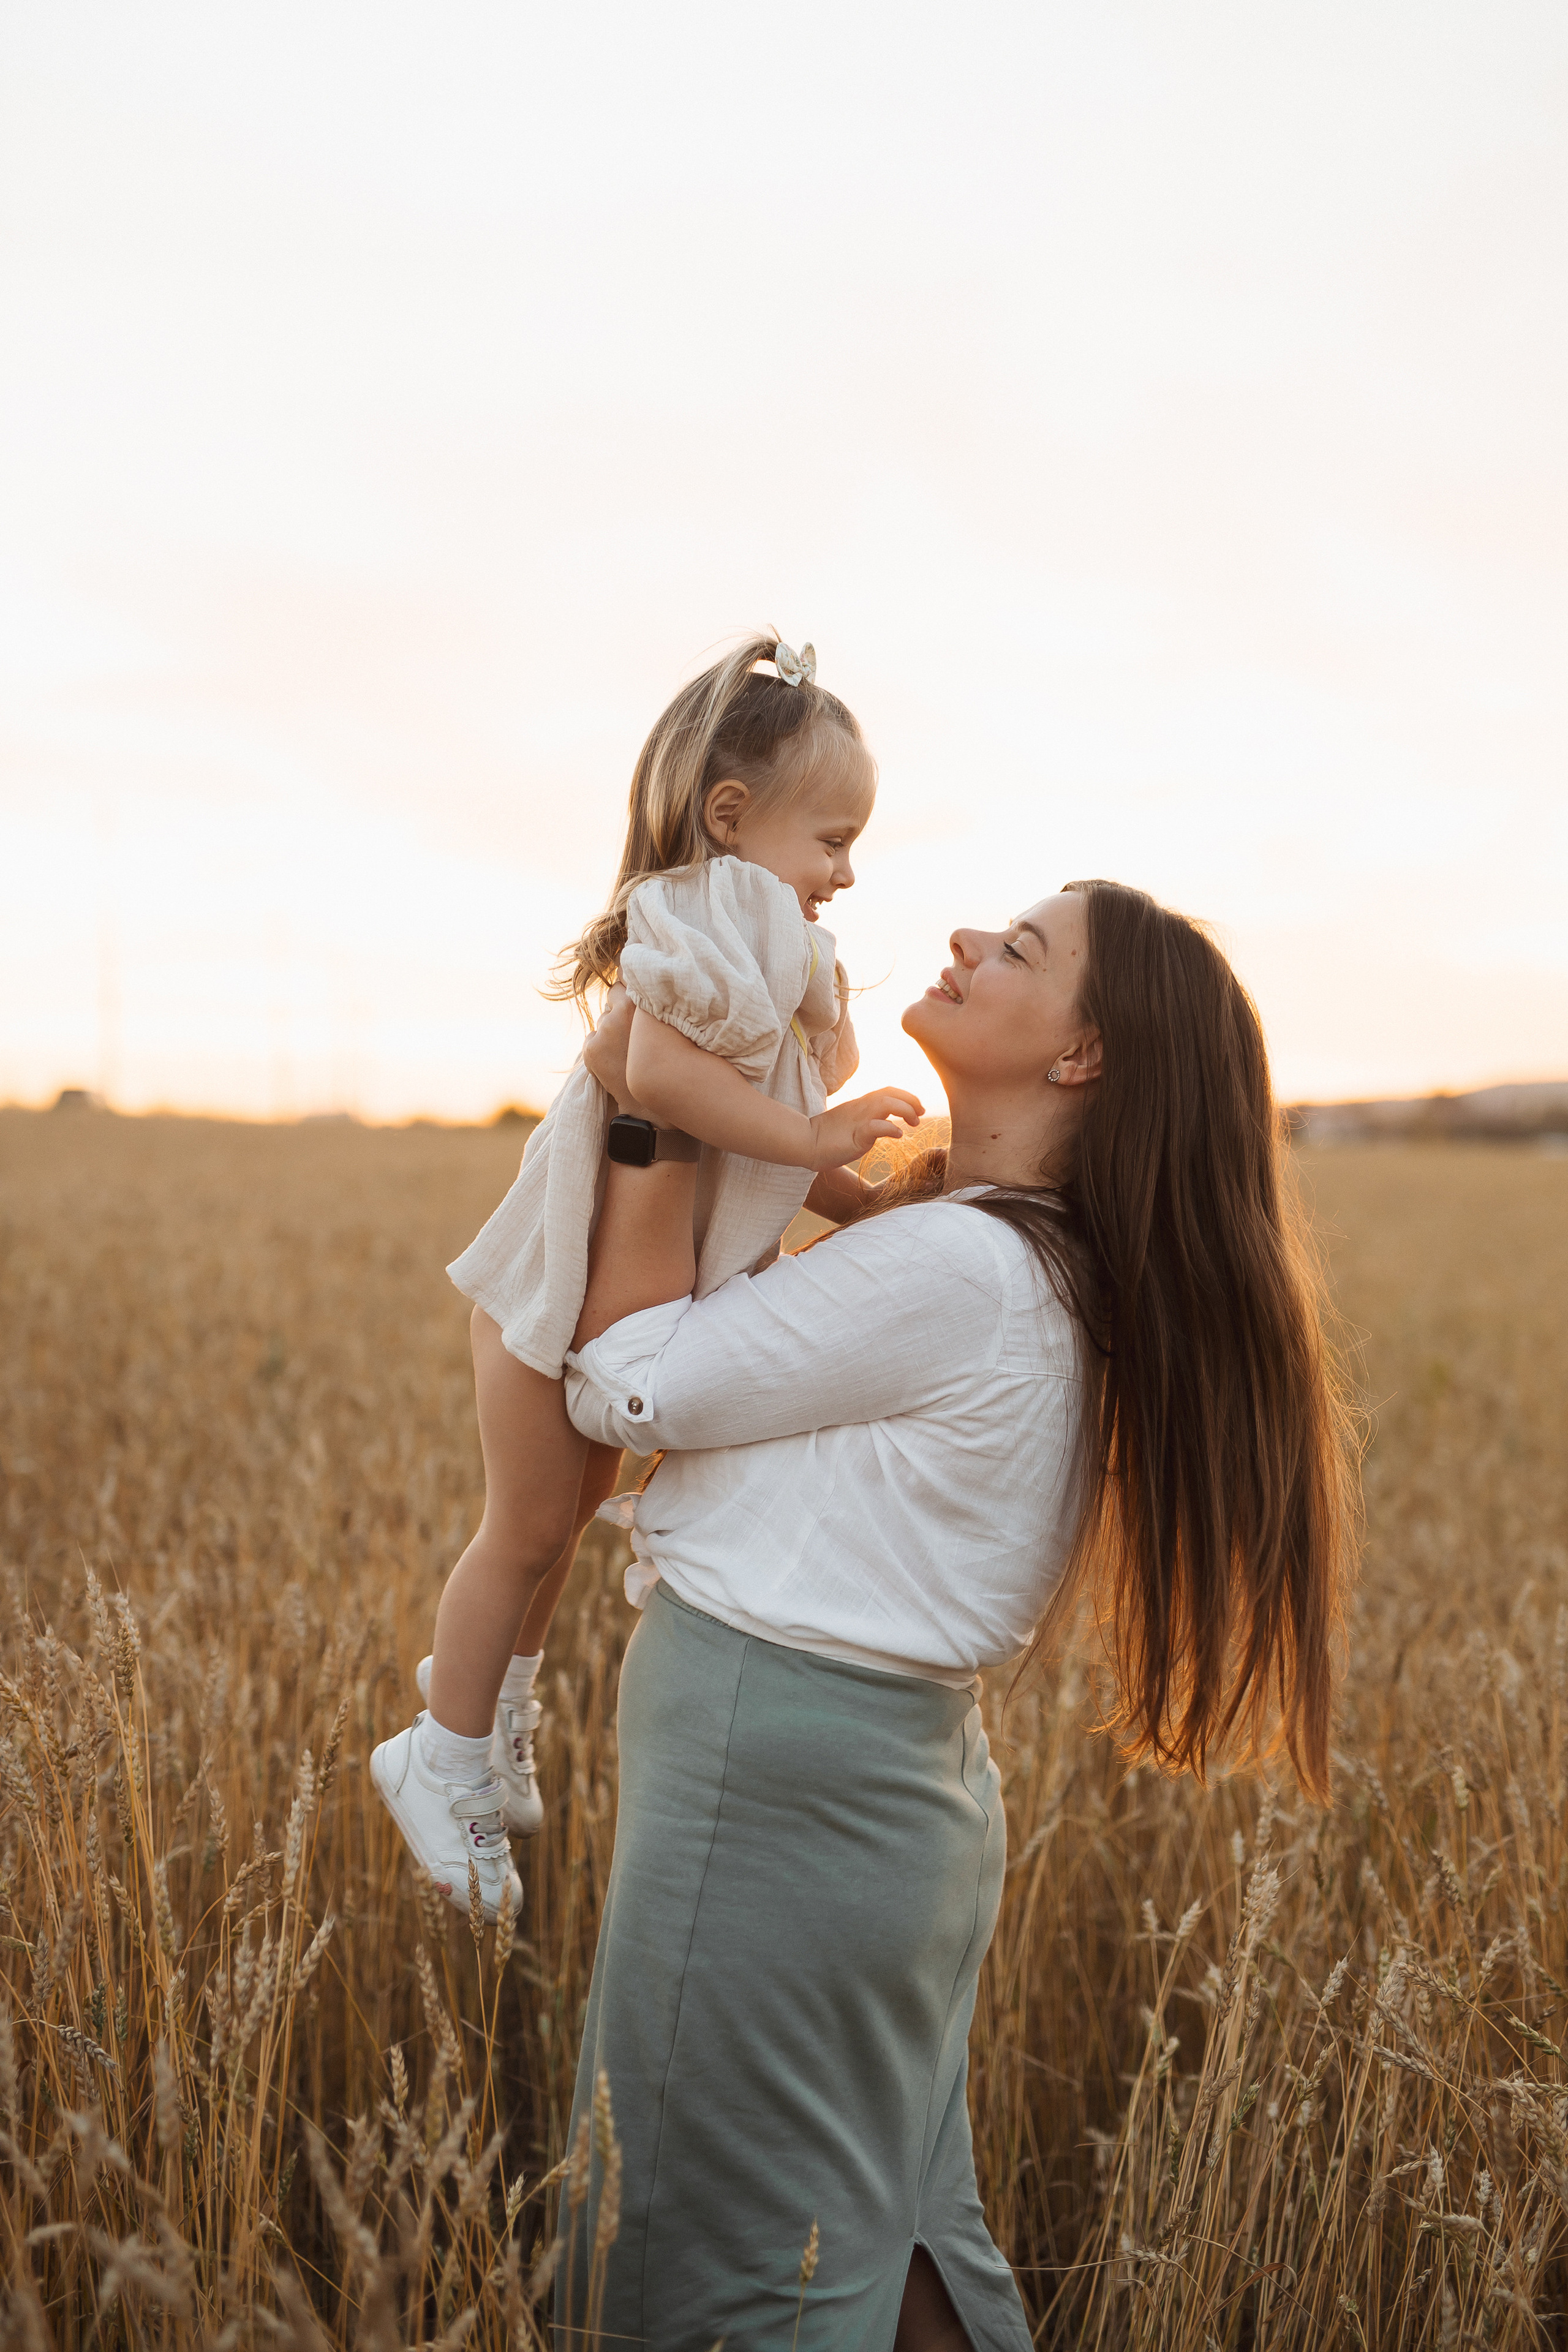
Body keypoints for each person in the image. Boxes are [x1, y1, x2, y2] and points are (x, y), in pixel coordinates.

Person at [555, 880, 1357, 2350]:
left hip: (780, 1800)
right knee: (895, 2243)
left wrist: (656, 1096)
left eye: (1019, 951)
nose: (965, 945)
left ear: (1080, 1058)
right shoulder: (1024, 1255)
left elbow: (621, 1381)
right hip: (885, 1803)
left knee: (718, 2269)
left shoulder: (964, 1268)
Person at [370, 636, 922, 1917]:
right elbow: (661, 1083)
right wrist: (820, 1140)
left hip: (617, 1291)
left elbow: (755, 1149)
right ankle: (436, 1755)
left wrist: (855, 1194)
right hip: (547, 1290)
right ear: (731, 821)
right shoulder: (705, 913)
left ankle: (493, 1712)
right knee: (519, 1530)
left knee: (560, 1535)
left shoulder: (771, 943)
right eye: (831, 841)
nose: (846, 871)